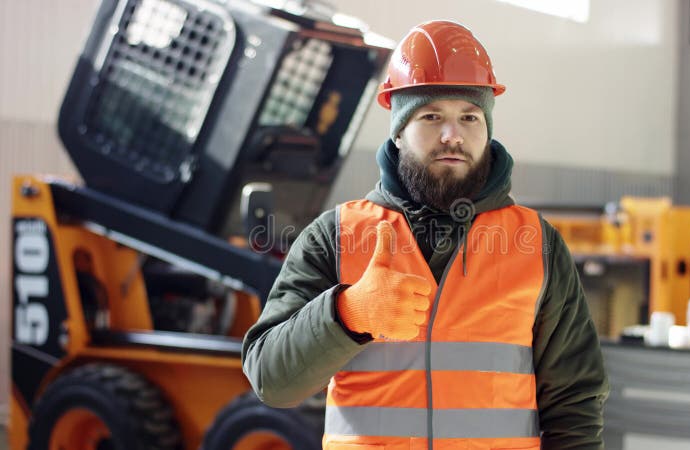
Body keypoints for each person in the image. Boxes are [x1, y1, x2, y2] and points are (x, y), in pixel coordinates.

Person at [243, 20, 608, 449]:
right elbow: (272, 381)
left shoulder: (537, 245)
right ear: (398, 131)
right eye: (431, 115)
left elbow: (575, 404)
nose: (452, 135)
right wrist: (348, 314)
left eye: (469, 117)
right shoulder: (335, 236)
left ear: (487, 128)